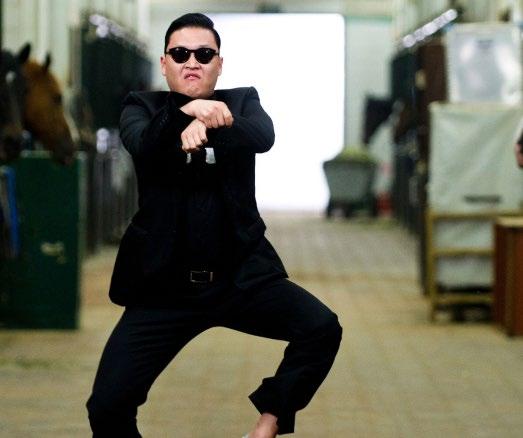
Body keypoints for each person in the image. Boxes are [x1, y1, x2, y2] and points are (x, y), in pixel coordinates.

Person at [86, 13, 342, 438]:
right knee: (107, 407)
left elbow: (262, 136)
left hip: (238, 280)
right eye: (180, 54)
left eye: (204, 54)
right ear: (164, 63)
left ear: (219, 64)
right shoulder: (141, 107)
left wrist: (208, 121)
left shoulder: (241, 102)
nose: (192, 61)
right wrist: (187, 111)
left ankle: (267, 425)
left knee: (321, 328)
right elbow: (144, 143)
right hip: (164, 288)